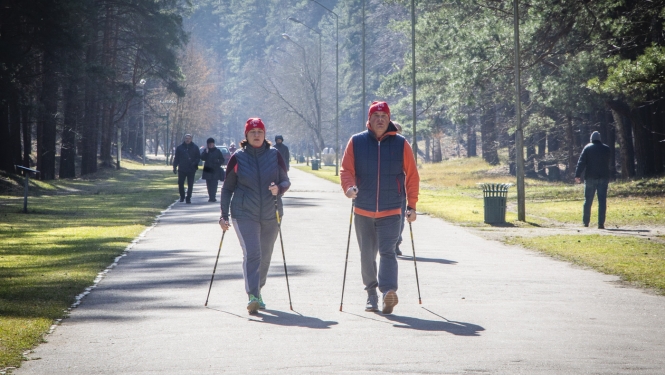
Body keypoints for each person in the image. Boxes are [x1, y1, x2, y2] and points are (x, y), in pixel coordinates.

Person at [340, 101, 419, 314]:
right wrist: (348, 188)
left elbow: (412, 176)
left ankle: (388, 293)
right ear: (369, 119)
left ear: (390, 119)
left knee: (388, 252)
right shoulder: (356, 142)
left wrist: (411, 206)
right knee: (367, 254)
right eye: (376, 116)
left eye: (384, 115)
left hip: (392, 209)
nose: (381, 119)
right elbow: (346, 170)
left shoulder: (401, 144)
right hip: (363, 209)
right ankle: (371, 294)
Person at [219, 118, 291, 314]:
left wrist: (279, 188)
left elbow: (285, 181)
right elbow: (227, 189)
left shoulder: (275, 155)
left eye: (260, 131)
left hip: (271, 212)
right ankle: (252, 295)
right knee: (253, 253)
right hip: (244, 213)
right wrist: (223, 215)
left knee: (265, 256)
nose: (257, 135)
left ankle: (258, 290)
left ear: (265, 134)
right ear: (246, 136)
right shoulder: (238, 158)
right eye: (253, 132)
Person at [575, 131, 611, 229]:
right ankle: (601, 223)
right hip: (603, 177)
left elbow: (581, 162)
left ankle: (586, 222)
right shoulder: (606, 149)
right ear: (599, 139)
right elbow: (608, 162)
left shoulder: (587, 148)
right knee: (602, 200)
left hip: (590, 177)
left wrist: (578, 174)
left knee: (588, 200)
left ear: (591, 139)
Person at [173, 134, 200, 204]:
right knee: (180, 183)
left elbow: (198, 158)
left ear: (191, 139)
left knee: (190, 184)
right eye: (186, 138)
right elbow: (176, 158)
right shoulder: (180, 148)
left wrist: (194, 163)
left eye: (189, 138)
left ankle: (188, 198)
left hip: (191, 169)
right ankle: (182, 196)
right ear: (184, 139)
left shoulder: (195, 147)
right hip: (182, 168)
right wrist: (174, 167)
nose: (187, 140)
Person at [392, 121, 405, 256]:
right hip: (387, 189)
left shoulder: (403, 146)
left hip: (401, 190)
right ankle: (388, 243)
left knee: (400, 219)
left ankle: (396, 243)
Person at [201, 137, 225, 203]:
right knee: (208, 184)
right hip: (208, 169)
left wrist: (217, 161)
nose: (210, 145)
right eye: (209, 144)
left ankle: (213, 197)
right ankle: (210, 197)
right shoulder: (206, 151)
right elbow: (202, 158)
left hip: (215, 169)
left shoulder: (217, 151)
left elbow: (222, 160)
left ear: (213, 144)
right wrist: (206, 152)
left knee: (214, 184)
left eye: (211, 144)